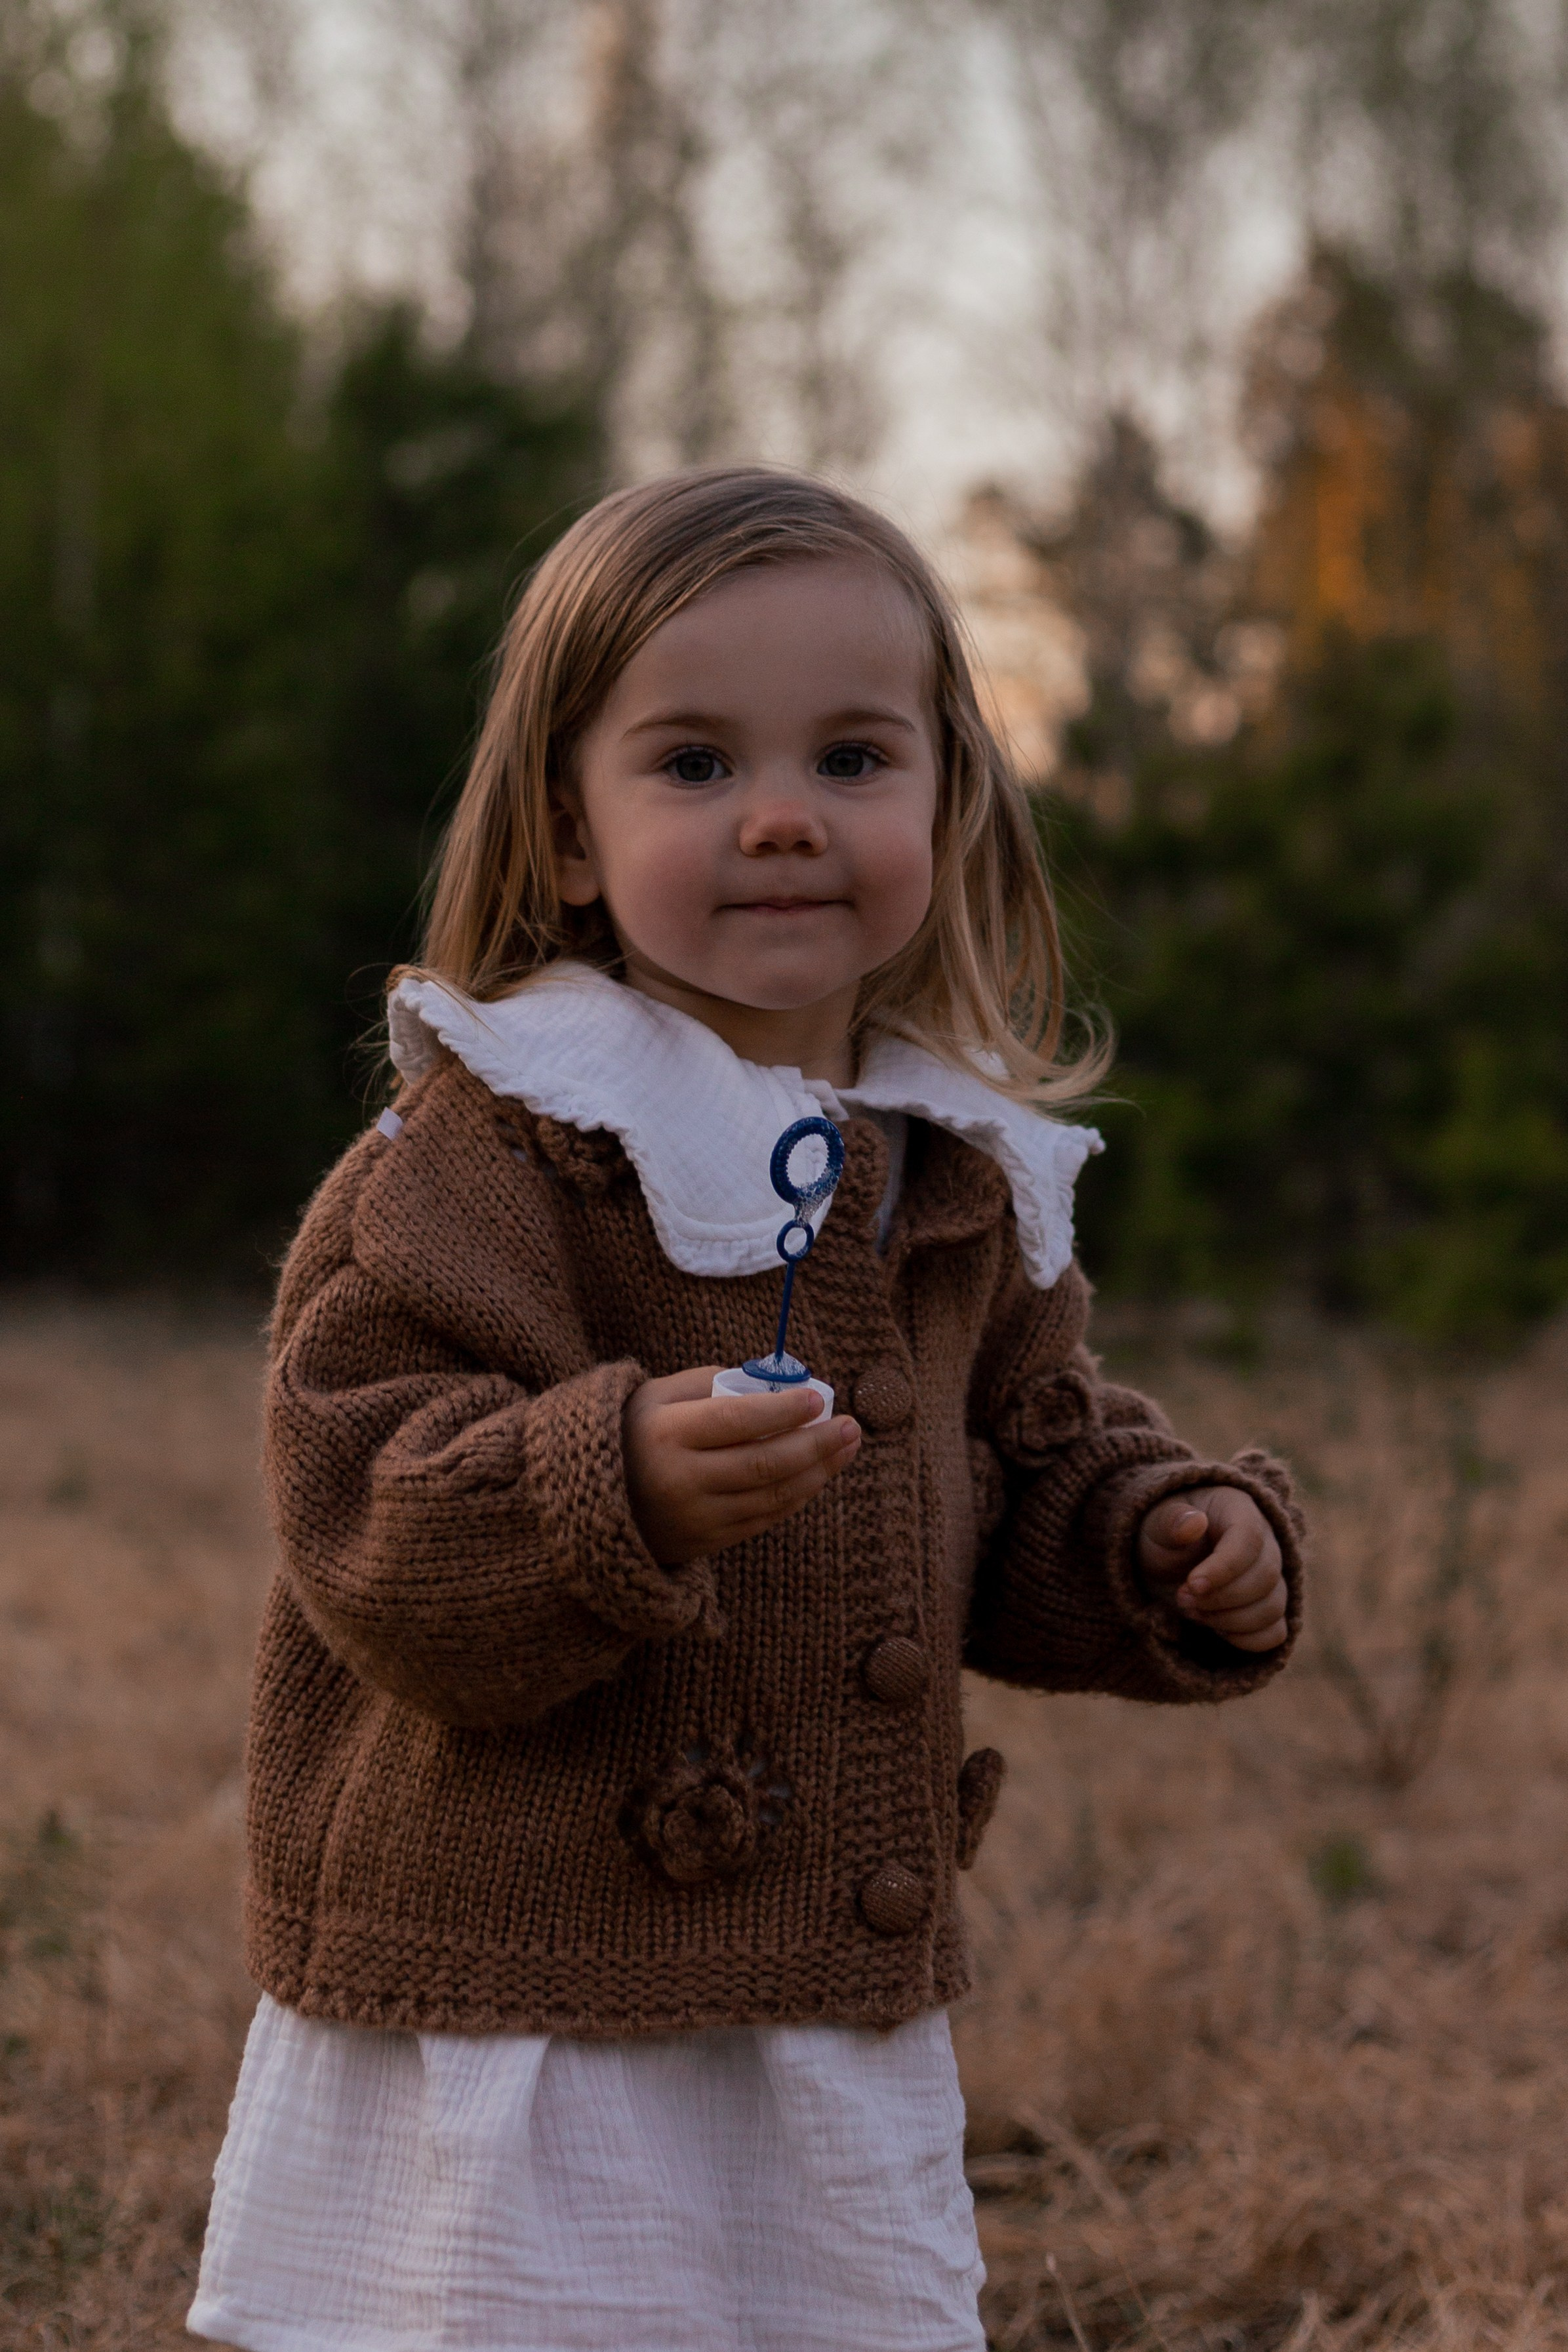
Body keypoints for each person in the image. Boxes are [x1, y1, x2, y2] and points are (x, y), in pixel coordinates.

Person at [188, 467, 1303, 2352]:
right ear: (565, 831)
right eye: (694, 763)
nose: (782, 816)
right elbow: (359, 1497)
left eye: (854, 759)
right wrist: (603, 1478)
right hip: (518, 1997)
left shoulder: (950, 1177)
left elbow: (1022, 1467)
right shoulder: (492, 1153)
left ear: (944, 810)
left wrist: (1159, 1539)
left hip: (813, 2021)